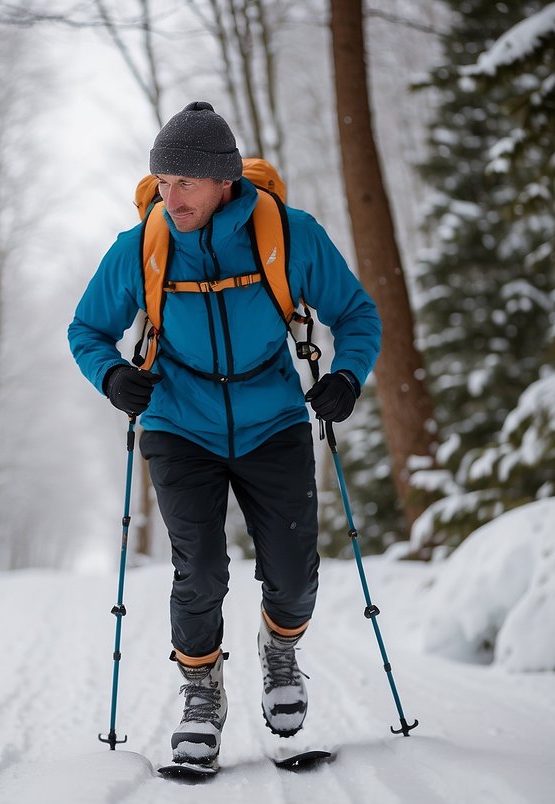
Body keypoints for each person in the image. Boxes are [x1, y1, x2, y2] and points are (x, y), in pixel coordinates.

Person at [67, 101, 381, 769]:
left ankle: (280, 652)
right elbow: (86, 330)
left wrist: (347, 378)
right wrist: (111, 376)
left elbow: (354, 313)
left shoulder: (289, 235)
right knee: (199, 570)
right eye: (161, 181)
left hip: (272, 420)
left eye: (184, 183)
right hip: (179, 424)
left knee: (293, 577)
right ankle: (201, 692)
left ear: (223, 181)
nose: (168, 196)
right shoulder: (141, 246)